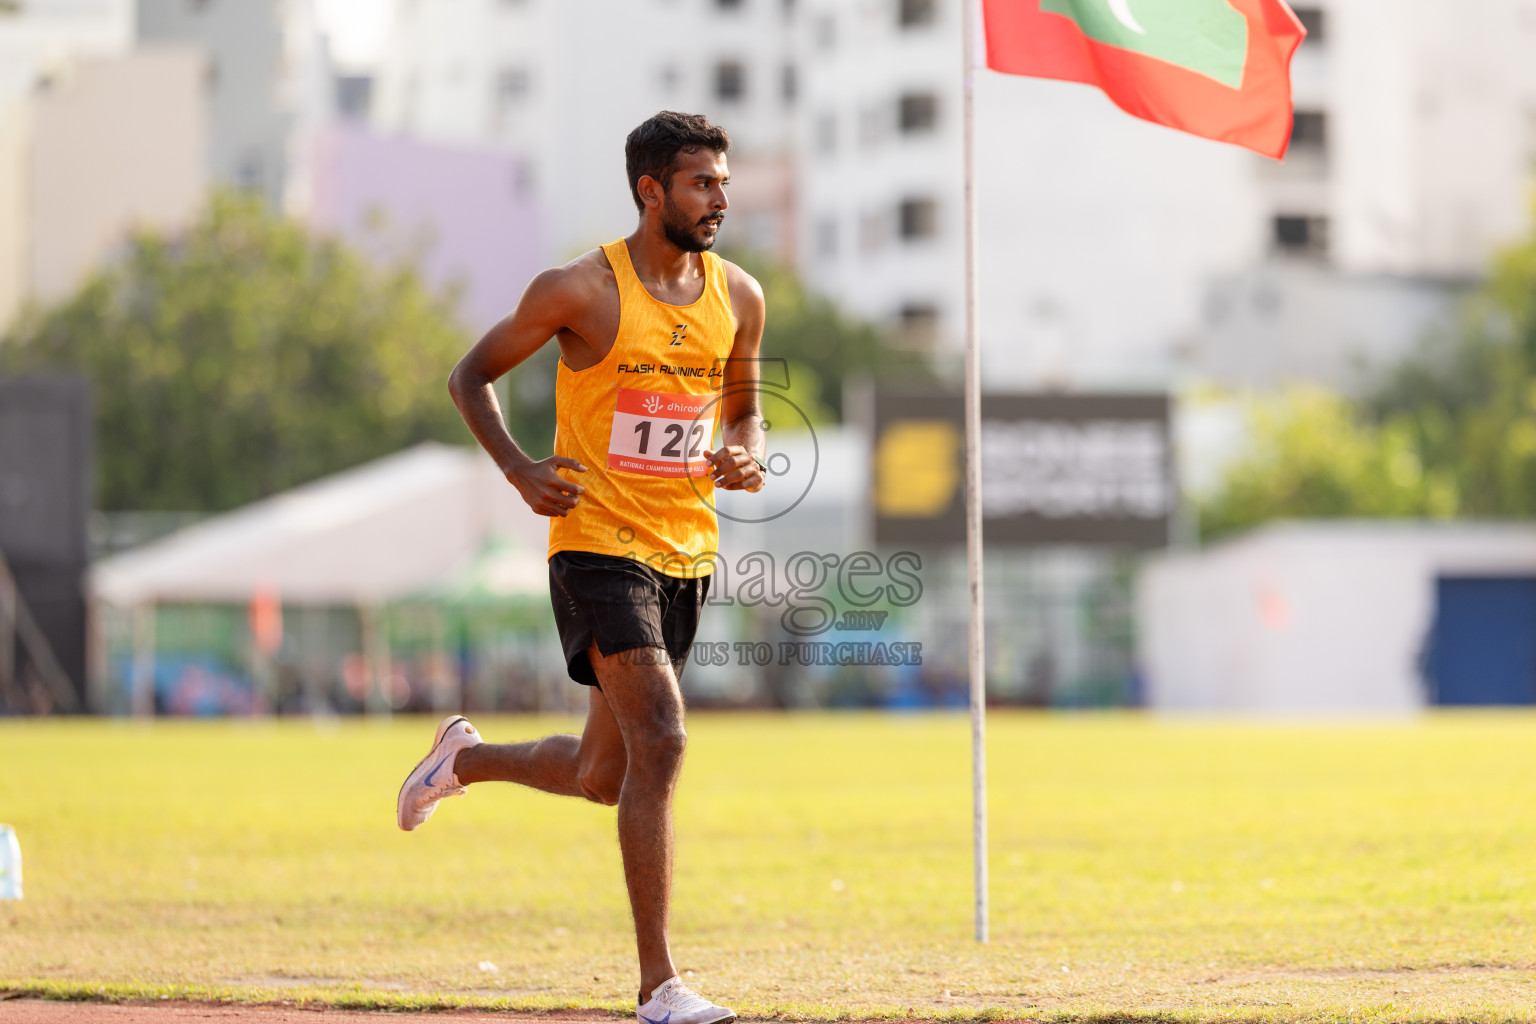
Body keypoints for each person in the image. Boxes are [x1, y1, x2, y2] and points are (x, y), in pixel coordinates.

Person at [396, 111, 764, 1024]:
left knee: (607, 774)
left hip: (687, 551)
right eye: (701, 183)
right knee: (666, 743)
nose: (720, 197)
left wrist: (746, 452)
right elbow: (469, 374)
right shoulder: (581, 289)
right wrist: (520, 468)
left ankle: (465, 762)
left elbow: (744, 409)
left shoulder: (740, 297)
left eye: (723, 181)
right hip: (597, 546)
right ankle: (660, 986)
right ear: (651, 190)